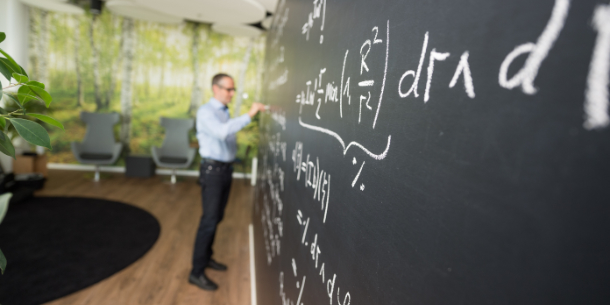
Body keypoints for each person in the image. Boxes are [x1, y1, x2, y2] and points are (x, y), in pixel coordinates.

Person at [189, 73, 266, 291]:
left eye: (233, 90)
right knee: (209, 220)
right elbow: (222, 133)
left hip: (224, 170)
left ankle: (207, 257)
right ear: (215, 88)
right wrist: (250, 114)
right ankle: (196, 272)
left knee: (217, 217)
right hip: (213, 172)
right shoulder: (206, 112)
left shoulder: (223, 111)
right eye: (228, 89)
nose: (232, 94)